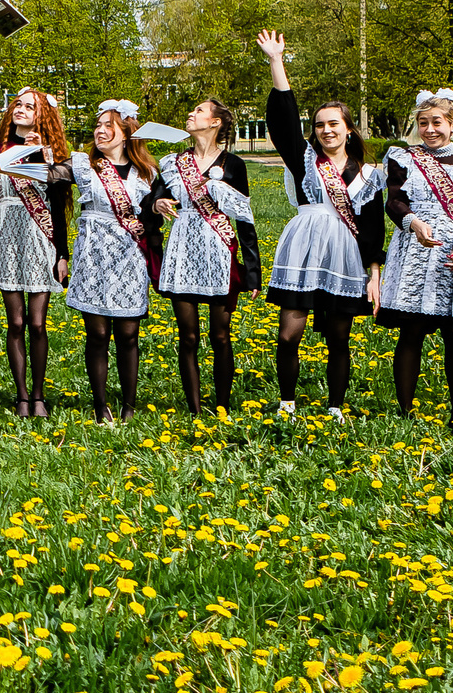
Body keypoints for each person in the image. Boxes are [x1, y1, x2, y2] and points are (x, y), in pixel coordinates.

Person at [256, 30, 386, 418]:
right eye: (319, 125)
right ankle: (287, 403)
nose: (326, 130)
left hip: (345, 255)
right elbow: (282, 124)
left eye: (334, 124)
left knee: (338, 338)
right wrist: (277, 63)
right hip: (304, 247)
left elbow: (375, 228)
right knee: (288, 334)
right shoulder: (304, 160)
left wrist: (374, 274)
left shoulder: (368, 175)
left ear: (348, 128)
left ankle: (335, 407)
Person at [376, 88, 453, 428]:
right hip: (416, 250)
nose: (429, 129)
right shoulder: (403, 158)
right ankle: (405, 412)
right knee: (411, 332)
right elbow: (394, 201)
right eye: (423, 123)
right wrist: (412, 222)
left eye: (437, 122)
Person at [152, 99, 256, 417]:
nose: (190, 114)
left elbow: (245, 219)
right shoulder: (172, 162)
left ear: (215, 123)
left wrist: (252, 271)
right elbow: (155, 195)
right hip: (183, 250)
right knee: (188, 336)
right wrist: (158, 203)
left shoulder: (233, 165)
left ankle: (222, 406)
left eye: (198, 111)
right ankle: (196, 410)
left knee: (220, 335)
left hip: (219, 251)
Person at [65, 101, 163, 424]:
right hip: (92, 255)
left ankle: (129, 406)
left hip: (128, 257)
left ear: (126, 133)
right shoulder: (84, 166)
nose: (101, 131)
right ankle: (100, 405)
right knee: (97, 333)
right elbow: (50, 173)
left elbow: (152, 220)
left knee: (128, 333)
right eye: (98, 125)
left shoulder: (146, 173)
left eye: (109, 125)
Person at [0, 88, 72, 419]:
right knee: (15, 321)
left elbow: (57, 206)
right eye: (18, 105)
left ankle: (39, 395)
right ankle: (21, 396)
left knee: (37, 324)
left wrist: (62, 253)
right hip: (5, 235)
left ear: (43, 116)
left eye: (30, 107)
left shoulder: (52, 154)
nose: (21, 110)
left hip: (41, 237)